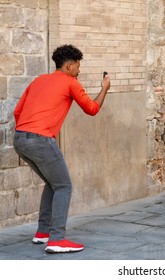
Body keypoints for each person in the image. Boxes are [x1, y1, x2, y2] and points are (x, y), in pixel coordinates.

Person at [13, 44, 111, 253]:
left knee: (53, 183)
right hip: (41, 140)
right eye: (77, 66)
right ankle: (57, 239)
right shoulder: (70, 82)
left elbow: (17, 111)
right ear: (68, 66)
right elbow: (92, 109)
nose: (79, 70)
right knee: (64, 186)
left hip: (20, 138)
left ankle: (42, 233)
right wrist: (104, 89)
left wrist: (28, 132)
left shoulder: (38, 80)